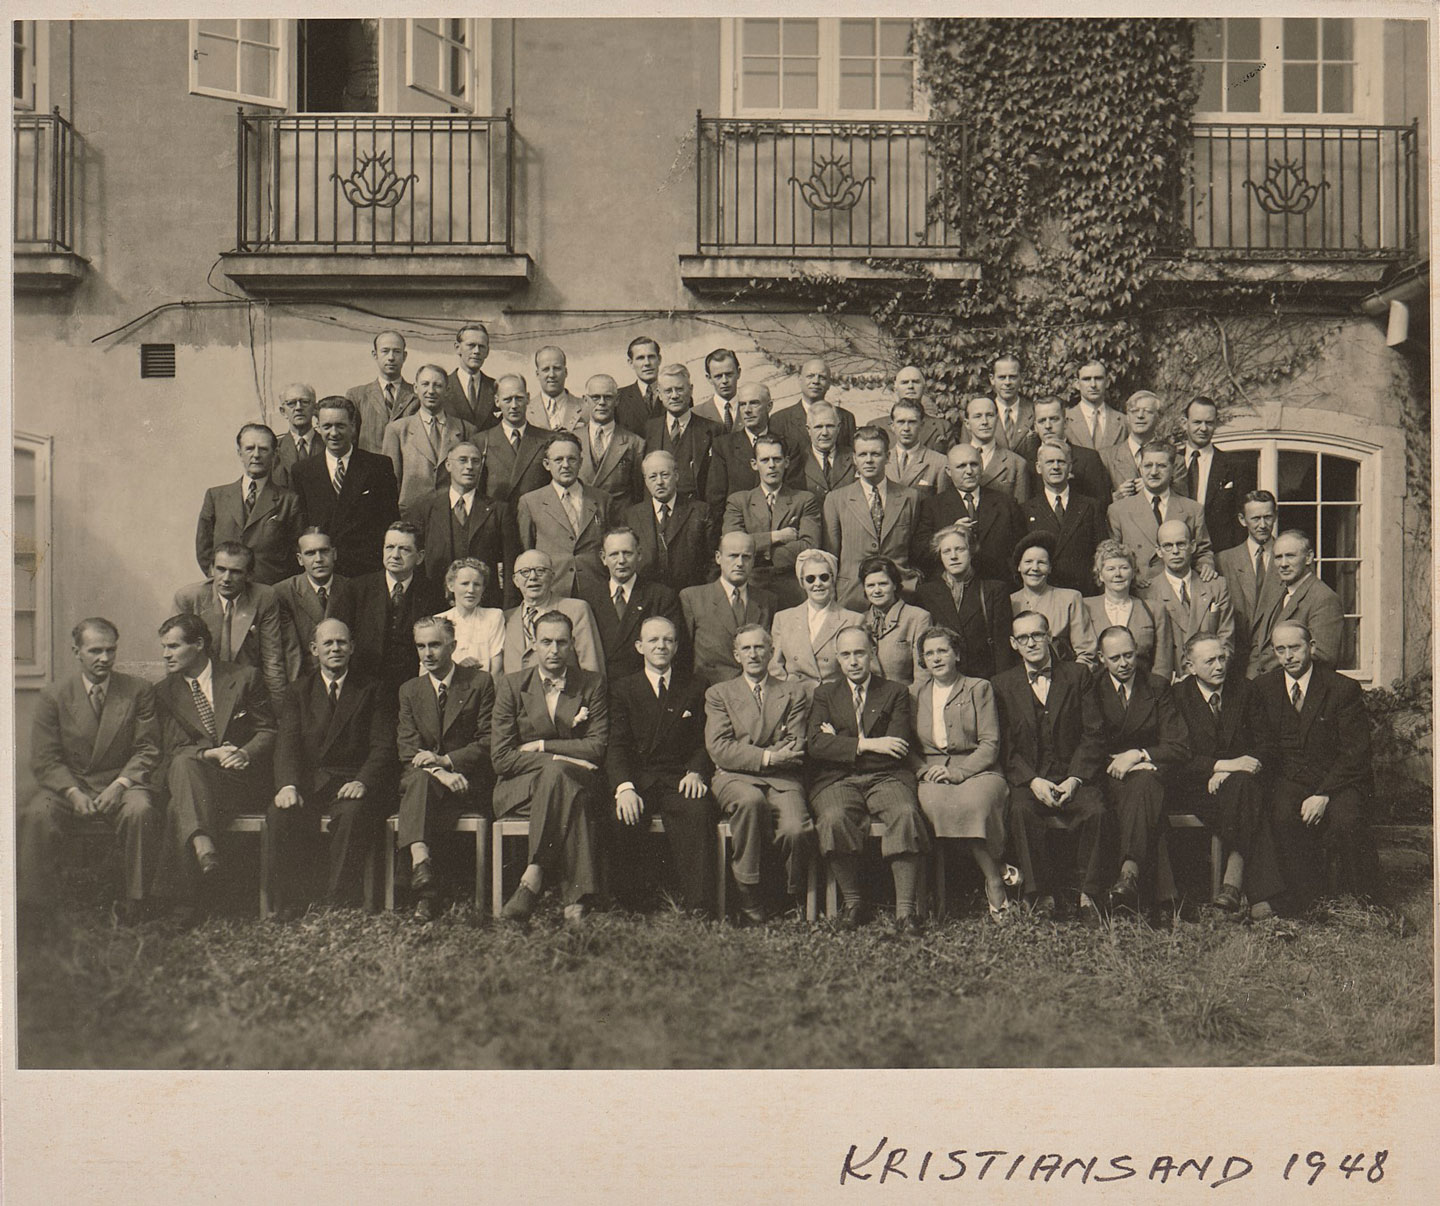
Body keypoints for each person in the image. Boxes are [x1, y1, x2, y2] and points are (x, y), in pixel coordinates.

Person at [18, 618, 162, 927]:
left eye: (111, 650)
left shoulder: (138, 691)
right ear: (77, 652)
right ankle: (35, 908)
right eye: (96, 651)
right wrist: (71, 791)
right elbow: (46, 758)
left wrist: (121, 784)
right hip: (72, 784)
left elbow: (147, 748)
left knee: (140, 810)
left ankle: (136, 903)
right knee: (36, 814)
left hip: (123, 782)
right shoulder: (54, 695)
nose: (105, 659)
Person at [151, 612, 277, 915]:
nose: (166, 654)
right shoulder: (164, 693)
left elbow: (268, 730)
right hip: (196, 779)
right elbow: (170, 750)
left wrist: (244, 752)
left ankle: (179, 900)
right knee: (182, 766)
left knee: (179, 800)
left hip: (240, 780)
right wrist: (209, 754)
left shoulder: (243, 677)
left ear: (199, 644)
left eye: (173, 646)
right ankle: (200, 859)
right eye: (164, 647)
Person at [809, 626, 931, 933]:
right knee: (833, 817)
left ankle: (905, 911)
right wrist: (869, 743)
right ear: (837, 658)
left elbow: (898, 746)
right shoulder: (824, 694)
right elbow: (815, 746)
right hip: (837, 779)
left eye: (860, 653)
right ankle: (854, 903)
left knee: (905, 813)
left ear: (872, 653)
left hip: (886, 777)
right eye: (846, 654)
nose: (853, 661)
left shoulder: (894, 692)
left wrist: (841, 742)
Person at [491, 610, 610, 923]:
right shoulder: (512, 685)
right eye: (546, 642)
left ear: (572, 645)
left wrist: (544, 746)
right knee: (570, 789)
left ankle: (533, 876)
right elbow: (501, 757)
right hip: (520, 789)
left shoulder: (591, 684)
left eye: (561, 642)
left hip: (575, 780)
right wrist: (563, 758)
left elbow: (596, 748)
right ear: (534, 644)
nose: (554, 650)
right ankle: (577, 903)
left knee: (569, 787)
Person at [270, 618, 395, 915]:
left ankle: (338, 900)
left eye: (341, 642)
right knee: (281, 813)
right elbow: (286, 744)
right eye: (328, 643)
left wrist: (363, 781)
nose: (335, 648)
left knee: (353, 813)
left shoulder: (372, 688)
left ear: (352, 647)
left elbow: (383, 746)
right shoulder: (298, 691)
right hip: (310, 782)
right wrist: (288, 784)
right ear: (314, 649)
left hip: (352, 780)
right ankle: (292, 899)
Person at [1253, 622, 1380, 911]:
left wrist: (1323, 794)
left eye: (1295, 648)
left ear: (1311, 646)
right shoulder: (1264, 688)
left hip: (1338, 780)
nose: (1288, 656)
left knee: (1347, 818)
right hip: (1290, 778)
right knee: (1282, 815)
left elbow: (1356, 753)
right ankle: (1307, 900)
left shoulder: (1341, 688)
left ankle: (1369, 902)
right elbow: (1264, 745)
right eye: (1280, 650)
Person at [992, 611, 1107, 923]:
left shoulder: (1078, 675)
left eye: (1037, 635)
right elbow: (1005, 746)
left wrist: (1076, 778)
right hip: (1031, 779)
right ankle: (1040, 894)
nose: (1032, 643)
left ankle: (1088, 894)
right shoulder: (1002, 684)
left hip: (1073, 775)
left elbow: (1093, 732)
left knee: (1095, 810)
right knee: (1020, 811)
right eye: (1024, 638)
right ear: (1013, 644)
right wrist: (1031, 781)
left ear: (1049, 638)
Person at [704, 624, 816, 923]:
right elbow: (720, 748)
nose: (753, 654)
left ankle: (787, 896)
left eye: (759, 647)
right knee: (751, 802)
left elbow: (795, 744)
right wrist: (769, 755)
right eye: (746, 649)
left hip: (783, 780)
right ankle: (748, 892)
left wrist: (755, 751)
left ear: (770, 652)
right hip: (733, 777)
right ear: (736, 654)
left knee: (796, 829)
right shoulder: (719, 693)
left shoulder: (794, 692)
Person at [606, 615, 716, 913]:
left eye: (668, 639)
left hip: (678, 778)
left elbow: (705, 739)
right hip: (639, 779)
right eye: (653, 640)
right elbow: (616, 744)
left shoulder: (695, 685)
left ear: (677, 646)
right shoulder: (623, 688)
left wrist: (696, 770)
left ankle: (700, 906)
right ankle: (632, 906)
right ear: (640, 646)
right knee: (621, 816)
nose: (661, 646)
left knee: (698, 810)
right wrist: (624, 787)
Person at [1170, 634, 1285, 919]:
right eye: (1209, 661)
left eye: (1222, 658)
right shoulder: (1177, 697)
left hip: (1242, 784)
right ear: (1190, 666)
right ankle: (1254, 892)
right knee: (1247, 796)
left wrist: (1232, 771)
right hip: (1195, 787)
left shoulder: (1244, 690)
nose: (1219, 666)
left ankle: (1232, 887)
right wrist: (1222, 766)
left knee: (1244, 787)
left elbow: (1266, 746)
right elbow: (1177, 756)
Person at [910, 624, 1014, 922]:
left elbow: (990, 744)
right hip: (932, 770)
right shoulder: (913, 693)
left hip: (979, 769)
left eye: (943, 650)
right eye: (929, 653)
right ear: (923, 660)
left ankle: (993, 880)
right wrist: (922, 770)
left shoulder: (978, 688)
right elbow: (907, 745)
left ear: (956, 654)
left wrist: (960, 773)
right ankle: (998, 870)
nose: (936, 658)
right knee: (937, 806)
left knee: (975, 804)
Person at [396, 615, 496, 921]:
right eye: (421, 646)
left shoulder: (479, 683)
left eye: (435, 645)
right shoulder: (410, 690)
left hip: (467, 780)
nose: (428, 653)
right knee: (422, 782)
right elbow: (408, 748)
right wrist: (440, 771)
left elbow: (489, 739)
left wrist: (446, 762)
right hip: (429, 779)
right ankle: (423, 874)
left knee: (421, 788)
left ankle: (422, 881)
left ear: (452, 645)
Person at [1088, 626, 1189, 913]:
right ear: (1101, 658)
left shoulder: (1156, 686)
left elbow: (1178, 745)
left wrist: (1138, 754)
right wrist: (1116, 763)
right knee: (1142, 797)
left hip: (1151, 773)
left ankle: (1128, 874)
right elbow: (1087, 740)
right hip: (1108, 776)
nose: (1124, 663)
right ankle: (1162, 897)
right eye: (1115, 657)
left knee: (1144, 784)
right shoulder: (1092, 688)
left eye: (1129, 655)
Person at [287, 395, 401, 578]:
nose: (334, 433)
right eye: (327, 426)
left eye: (340, 425)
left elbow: (389, 521)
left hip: (366, 570)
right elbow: (301, 527)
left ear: (352, 426)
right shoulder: (303, 471)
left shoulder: (378, 466)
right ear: (317, 427)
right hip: (323, 571)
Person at [173, 541, 292, 707]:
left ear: (249, 575)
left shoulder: (264, 597)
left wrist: (279, 711)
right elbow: (177, 656)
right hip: (200, 691)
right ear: (211, 569)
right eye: (221, 569)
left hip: (246, 690)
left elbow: (272, 659)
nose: (226, 578)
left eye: (236, 572)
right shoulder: (188, 598)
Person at [823, 425, 919, 609]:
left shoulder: (909, 497)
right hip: (852, 595)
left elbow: (913, 547)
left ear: (888, 457)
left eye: (875, 454)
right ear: (854, 459)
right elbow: (831, 554)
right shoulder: (836, 499)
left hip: (900, 593)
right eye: (862, 455)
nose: (869, 460)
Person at [415, 440, 518, 611]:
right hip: (436, 605)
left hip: (485, 606)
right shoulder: (426, 508)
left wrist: (508, 609)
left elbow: (509, 563)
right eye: (462, 460)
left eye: (475, 461)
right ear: (448, 465)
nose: (470, 466)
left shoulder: (498, 510)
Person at [196, 422, 304, 585]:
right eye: (249, 448)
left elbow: (297, 552)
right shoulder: (216, 497)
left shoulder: (289, 500)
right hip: (227, 591)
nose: (256, 455)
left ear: (274, 454)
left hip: (271, 591)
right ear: (239, 453)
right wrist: (220, 580)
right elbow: (204, 548)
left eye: (263, 449)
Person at [722, 433, 821, 607]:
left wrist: (756, 554)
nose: (772, 466)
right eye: (765, 460)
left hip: (792, 588)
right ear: (754, 464)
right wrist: (777, 536)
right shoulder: (738, 501)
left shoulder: (804, 500)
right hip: (751, 586)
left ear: (787, 462)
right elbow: (732, 545)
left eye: (777, 459)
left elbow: (809, 546)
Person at [577, 526, 681, 682]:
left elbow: (673, 650)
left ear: (639, 555)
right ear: (603, 558)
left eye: (627, 553)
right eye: (614, 554)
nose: (621, 561)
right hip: (603, 686)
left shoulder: (661, 596)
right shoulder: (588, 597)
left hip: (643, 687)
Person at [1106, 441, 1215, 585]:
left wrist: (1206, 565)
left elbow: (1203, 552)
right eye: (1148, 465)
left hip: (1178, 590)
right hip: (1140, 591)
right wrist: (1131, 577)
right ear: (1140, 468)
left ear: (1173, 469)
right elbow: (1112, 556)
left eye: (1161, 466)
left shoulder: (1192, 509)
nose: (1154, 472)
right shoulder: (1118, 510)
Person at [913, 524, 1014, 680]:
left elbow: (1003, 649)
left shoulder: (993, 590)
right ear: (939, 556)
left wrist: (1001, 686)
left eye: (960, 549)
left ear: (971, 551)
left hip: (983, 680)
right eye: (946, 551)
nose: (953, 556)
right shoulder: (926, 593)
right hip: (944, 681)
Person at [1137, 519, 1236, 677]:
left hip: (1208, 679)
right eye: (1168, 546)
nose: (1175, 551)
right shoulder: (1146, 593)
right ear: (1159, 551)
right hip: (1169, 682)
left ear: (1193, 546)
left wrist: (1204, 673)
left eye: (1181, 544)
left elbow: (1226, 639)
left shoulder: (1216, 586)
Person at [912, 441, 1022, 583]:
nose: (969, 471)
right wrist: (950, 533)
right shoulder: (932, 506)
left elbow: (1019, 548)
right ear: (948, 471)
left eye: (974, 464)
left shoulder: (1006, 503)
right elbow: (918, 552)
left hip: (997, 584)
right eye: (961, 466)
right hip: (950, 587)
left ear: (981, 467)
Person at [516, 430, 608, 596]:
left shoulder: (602, 499)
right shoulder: (530, 502)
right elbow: (527, 550)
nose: (565, 465)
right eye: (558, 459)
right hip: (553, 588)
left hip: (595, 587)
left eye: (571, 459)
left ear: (580, 462)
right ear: (546, 464)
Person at [679, 532, 776, 683]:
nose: (739, 563)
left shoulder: (767, 600)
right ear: (718, 557)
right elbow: (683, 656)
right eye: (733, 556)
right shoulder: (693, 598)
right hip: (709, 690)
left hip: (755, 690)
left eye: (746, 557)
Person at [1246, 530, 1345, 677]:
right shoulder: (1277, 592)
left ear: (1309, 557)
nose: (1283, 564)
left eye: (1290, 556)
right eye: (1278, 557)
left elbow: (1322, 657)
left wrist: (1266, 682)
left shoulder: (1324, 598)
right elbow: (1260, 645)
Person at [382, 363, 476, 517]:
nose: (431, 391)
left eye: (438, 385)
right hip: (410, 516)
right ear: (415, 388)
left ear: (447, 390)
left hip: (452, 516)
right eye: (425, 384)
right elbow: (389, 485)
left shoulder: (466, 430)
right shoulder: (397, 430)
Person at [351, 522, 434, 693]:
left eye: (404, 549)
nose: (395, 555)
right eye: (389, 547)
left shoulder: (431, 593)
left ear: (420, 557)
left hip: (412, 685)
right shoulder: (357, 589)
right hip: (364, 686)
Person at [768, 549, 865, 697]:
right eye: (810, 579)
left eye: (824, 577)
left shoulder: (853, 619)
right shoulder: (783, 618)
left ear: (833, 579)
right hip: (795, 701)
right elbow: (775, 668)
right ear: (802, 582)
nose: (818, 584)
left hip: (835, 700)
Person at [1021, 438, 1107, 593]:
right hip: (1044, 591)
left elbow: (1102, 553)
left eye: (1061, 462)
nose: (1056, 467)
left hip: (1084, 591)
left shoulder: (1091, 506)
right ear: (1039, 468)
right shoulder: (1026, 510)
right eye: (1050, 462)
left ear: (1070, 467)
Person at [500, 550, 604, 676]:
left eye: (540, 570)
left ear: (552, 577)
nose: (533, 577)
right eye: (525, 572)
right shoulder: (506, 618)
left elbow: (592, 669)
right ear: (515, 580)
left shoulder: (577, 610)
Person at [1083, 539, 1174, 680]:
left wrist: (1156, 692)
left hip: (1145, 690)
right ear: (1100, 575)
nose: (1118, 574)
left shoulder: (1154, 609)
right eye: (1110, 569)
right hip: (1097, 691)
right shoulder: (1085, 607)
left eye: (1124, 568)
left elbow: (1163, 662)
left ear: (1133, 573)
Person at [1216, 490, 1285, 677]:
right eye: (1255, 518)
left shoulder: (1288, 559)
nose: (1262, 525)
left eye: (1268, 517)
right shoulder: (1224, 561)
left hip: (1277, 666)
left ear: (1276, 517)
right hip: (1236, 666)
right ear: (1242, 519)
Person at [273, 528, 360, 676]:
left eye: (324, 551)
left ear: (334, 554)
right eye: (310, 553)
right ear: (300, 559)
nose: (318, 559)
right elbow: (290, 650)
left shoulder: (353, 588)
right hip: (303, 678)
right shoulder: (283, 593)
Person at [626, 449, 715, 591]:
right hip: (647, 597)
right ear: (645, 481)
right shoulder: (632, 515)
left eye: (665, 475)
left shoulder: (700, 511)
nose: (659, 482)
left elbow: (713, 560)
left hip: (690, 595)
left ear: (676, 476)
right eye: (653, 477)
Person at [1010, 530, 1098, 667]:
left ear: (1050, 568)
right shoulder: (1009, 602)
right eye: (1028, 562)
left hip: (1066, 680)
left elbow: (1086, 653)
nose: (1035, 568)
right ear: (1019, 566)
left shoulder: (1070, 598)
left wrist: (1071, 681)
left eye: (1042, 563)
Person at [1173, 395, 1249, 552]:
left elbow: (1242, 520)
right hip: (1176, 551)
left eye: (1209, 423)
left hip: (1219, 553)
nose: (1203, 428)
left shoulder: (1234, 466)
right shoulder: (1170, 462)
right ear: (1184, 423)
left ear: (1216, 424)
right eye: (1197, 422)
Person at [471, 374, 553, 510]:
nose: (514, 405)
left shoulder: (547, 440)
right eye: (507, 400)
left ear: (528, 398)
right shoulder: (481, 441)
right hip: (496, 522)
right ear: (497, 401)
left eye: (519, 398)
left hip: (535, 520)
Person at [643, 363, 718, 505]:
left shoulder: (713, 430)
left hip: (699, 513)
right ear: (659, 394)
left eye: (679, 389)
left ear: (690, 390)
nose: (674, 396)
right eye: (668, 391)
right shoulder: (648, 429)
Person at [1016, 396, 1111, 502]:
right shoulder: (1026, 461)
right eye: (1042, 421)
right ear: (1035, 426)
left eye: (1054, 419)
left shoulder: (1089, 459)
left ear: (1065, 422)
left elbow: (1102, 504)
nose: (1048, 426)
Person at [705, 381, 773, 526]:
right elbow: (716, 499)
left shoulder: (785, 444)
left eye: (754, 403)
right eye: (742, 404)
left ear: (769, 406)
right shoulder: (723, 446)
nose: (747, 410)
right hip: (738, 529)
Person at [577, 374, 644, 519]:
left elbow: (639, 493)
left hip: (619, 522)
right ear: (585, 400)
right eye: (595, 397)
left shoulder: (634, 443)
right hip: (581, 521)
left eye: (607, 397)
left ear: (617, 400)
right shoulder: (572, 440)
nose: (602, 403)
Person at [770, 358, 858, 464]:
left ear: (829, 383)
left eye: (822, 377)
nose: (816, 381)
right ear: (800, 380)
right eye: (810, 376)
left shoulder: (846, 418)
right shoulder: (780, 420)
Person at [858, 556, 930, 685]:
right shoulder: (859, 620)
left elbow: (923, 676)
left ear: (895, 585)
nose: (877, 590)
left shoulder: (918, 618)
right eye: (870, 585)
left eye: (883, 584)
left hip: (906, 699)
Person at [346, 330, 417, 452]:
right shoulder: (357, 396)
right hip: (369, 468)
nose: (391, 357)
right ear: (375, 355)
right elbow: (350, 440)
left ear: (404, 356)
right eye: (385, 351)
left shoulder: (417, 395)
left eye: (397, 351)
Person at [438, 558, 506, 674]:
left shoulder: (494, 616)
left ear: (483, 588)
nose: (471, 590)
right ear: (451, 586)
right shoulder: (439, 621)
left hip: (486, 687)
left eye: (477, 584)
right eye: (465, 584)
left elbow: (497, 664)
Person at [963, 396, 1030, 504]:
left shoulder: (1017, 464)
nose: (984, 422)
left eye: (989, 415)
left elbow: (1020, 511)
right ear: (967, 423)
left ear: (997, 419)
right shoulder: (954, 460)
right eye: (977, 416)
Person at [1100, 390, 1163, 498]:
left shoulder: (1175, 458)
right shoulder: (1106, 457)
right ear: (1128, 417)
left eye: (1147, 411)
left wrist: (1157, 490)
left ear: (1158, 417)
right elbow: (1095, 503)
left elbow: (1183, 502)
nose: (1140, 416)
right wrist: (1115, 497)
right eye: (1134, 411)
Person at [790, 401, 856, 503]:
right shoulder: (796, 461)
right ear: (808, 429)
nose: (825, 433)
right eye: (818, 427)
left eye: (830, 426)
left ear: (838, 428)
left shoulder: (853, 457)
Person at [438, 321, 498, 430]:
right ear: (457, 348)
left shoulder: (495, 387)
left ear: (487, 352)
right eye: (471, 345)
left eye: (481, 347)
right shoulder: (442, 386)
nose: (476, 351)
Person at [885, 398, 948, 497]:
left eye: (912, 422)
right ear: (892, 426)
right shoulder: (881, 460)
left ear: (922, 425)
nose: (906, 428)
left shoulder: (940, 462)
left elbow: (942, 505)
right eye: (901, 422)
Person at [883, 364, 952, 453]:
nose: (910, 386)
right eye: (904, 382)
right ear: (895, 388)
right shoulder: (877, 425)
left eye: (915, 382)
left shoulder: (943, 427)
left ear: (924, 387)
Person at [1065, 359, 1125, 450]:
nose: (1093, 385)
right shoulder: (1065, 421)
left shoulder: (1124, 422)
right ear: (1077, 384)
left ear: (1107, 382)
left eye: (1098, 378)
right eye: (1087, 379)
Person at [614, 335, 665, 435]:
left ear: (659, 359)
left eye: (651, 357)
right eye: (640, 358)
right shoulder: (618, 397)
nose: (647, 363)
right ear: (631, 363)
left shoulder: (676, 394)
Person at [273, 383, 321, 486]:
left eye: (305, 402)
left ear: (315, 408)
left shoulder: (328, 445)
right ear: (283, 411)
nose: (298, 407)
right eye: (291, 403)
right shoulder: (273, 449)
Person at [528, 345, 585, 431]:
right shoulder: (526, 410)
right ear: (537, 374)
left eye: (557, 368)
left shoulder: (585, 408)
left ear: (565, 372)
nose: (552, 375)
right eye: (546, 369)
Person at [988, 354, 1034, 451]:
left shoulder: (1034, 412)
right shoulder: (979, 415)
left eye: (1012, 377)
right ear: (992, 379)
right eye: (1002, 377)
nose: (1007, 382)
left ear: (1022, 378)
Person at [694, 347, 742, 431]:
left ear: (738, 373)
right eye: (718, 376)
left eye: (729, 374)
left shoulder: (752, 409)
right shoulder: (696, 414)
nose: (724, 381)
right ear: (709, 378)